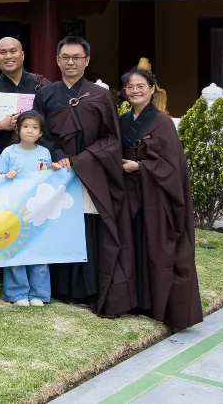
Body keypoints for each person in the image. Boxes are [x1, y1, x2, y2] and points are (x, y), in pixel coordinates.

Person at [36, 36, 136, 318]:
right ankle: (57, 286)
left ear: (87, 61)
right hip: (56, 171)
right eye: (65, 57)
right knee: (57, 225)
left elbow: (111, 139)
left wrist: (82, 160)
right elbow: (35, 130)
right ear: (57, 60)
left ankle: (85, 288)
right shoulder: (46, 94)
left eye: (76, 57)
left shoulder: (100, 95)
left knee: (87, 228)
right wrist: (56, 153)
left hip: (90, 170)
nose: (70, 62)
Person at [119, 67, 202, 331]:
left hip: (157, 197)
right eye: (130, 87)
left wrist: (141, 167)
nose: (135, 91)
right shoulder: (122, 120)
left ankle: (162, 305)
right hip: (129, 194)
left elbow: (173, 167)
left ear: (152, 90)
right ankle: (136, 301)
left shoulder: (163, 123)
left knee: (159, 248)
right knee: (132, 245)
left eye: (141, 86)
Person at [0, 110, 52, 307]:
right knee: (15, 249)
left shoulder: (44, 154)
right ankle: (17, 292)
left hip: (39, 210)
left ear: (41, 133)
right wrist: (5, 176)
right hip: (14, 209)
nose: (30, 131)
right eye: (25, 126)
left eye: (35, 128)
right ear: (18, 130)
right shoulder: (9, 152)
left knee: (39, 249)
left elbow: (49, 180)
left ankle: (39, 293)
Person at [0, 37, 49, 151]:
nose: (8, 56)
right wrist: (0, 125)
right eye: (3, 52)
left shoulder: (41, 84)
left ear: (22, 55)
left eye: (13, 51)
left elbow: (55, 120)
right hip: (3, 154)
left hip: (40, 153)